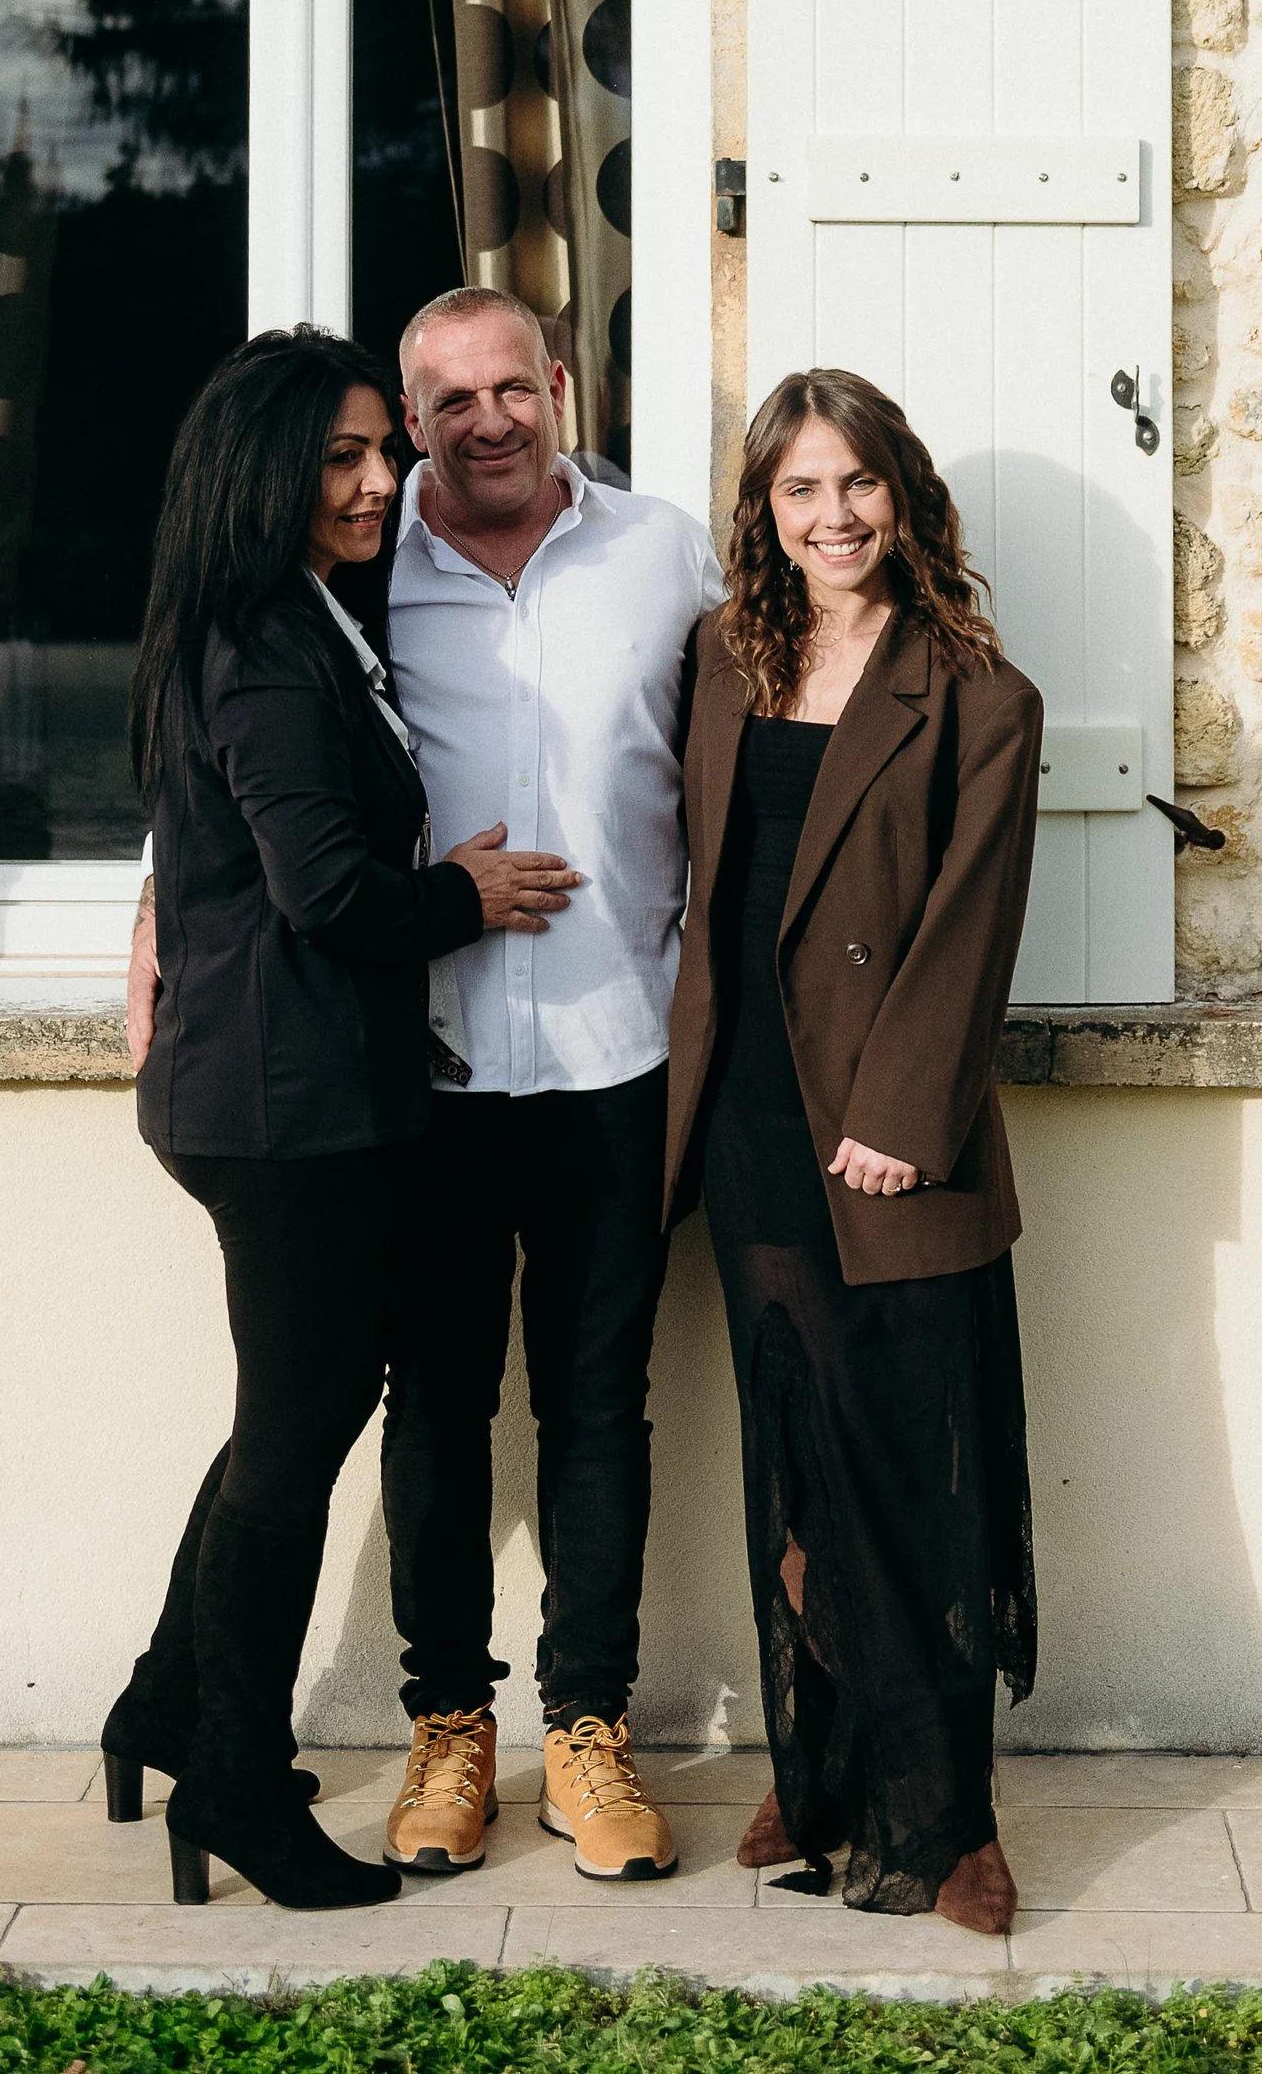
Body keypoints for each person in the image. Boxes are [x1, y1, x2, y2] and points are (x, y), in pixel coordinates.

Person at [102, 326, 580, 1912]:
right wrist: (471, 891)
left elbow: (223, 848)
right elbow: (322, 892)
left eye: (388, 449)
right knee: (298, 1441)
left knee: (284, 1418)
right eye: (345, 457)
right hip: (281, 1101)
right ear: (267, 473)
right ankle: (233, 1775)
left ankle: (169, 1702)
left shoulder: (300, 615)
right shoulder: (260, 635)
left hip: (280, 1082)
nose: (386, 480)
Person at [663, 368, 1042, 1934]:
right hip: (747, 1101)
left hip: (886, 1129)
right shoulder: (721, 654)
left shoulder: (975, 689)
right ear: (764, 507)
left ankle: (944, 1813)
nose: (832, 516)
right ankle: (816, 1767)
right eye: (801, 489)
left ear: (906, 493)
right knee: (797, 1458)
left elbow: (969, 927)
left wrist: (899, 1113)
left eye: (858, 484)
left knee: (904, 1469)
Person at [374, 285, 723, 1884]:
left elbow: (769, 731)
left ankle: (589, 1729)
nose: (489, 421)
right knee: (436, 1403)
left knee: (599, 1408)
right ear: (413, 414)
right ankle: (450, 1727)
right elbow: (239, 731)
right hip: (424, 1063)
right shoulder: (365, 567)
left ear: (562, 385)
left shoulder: (664, 551)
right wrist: (166, 893)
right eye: (451, 401)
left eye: (514, 387)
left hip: (613, 1056)